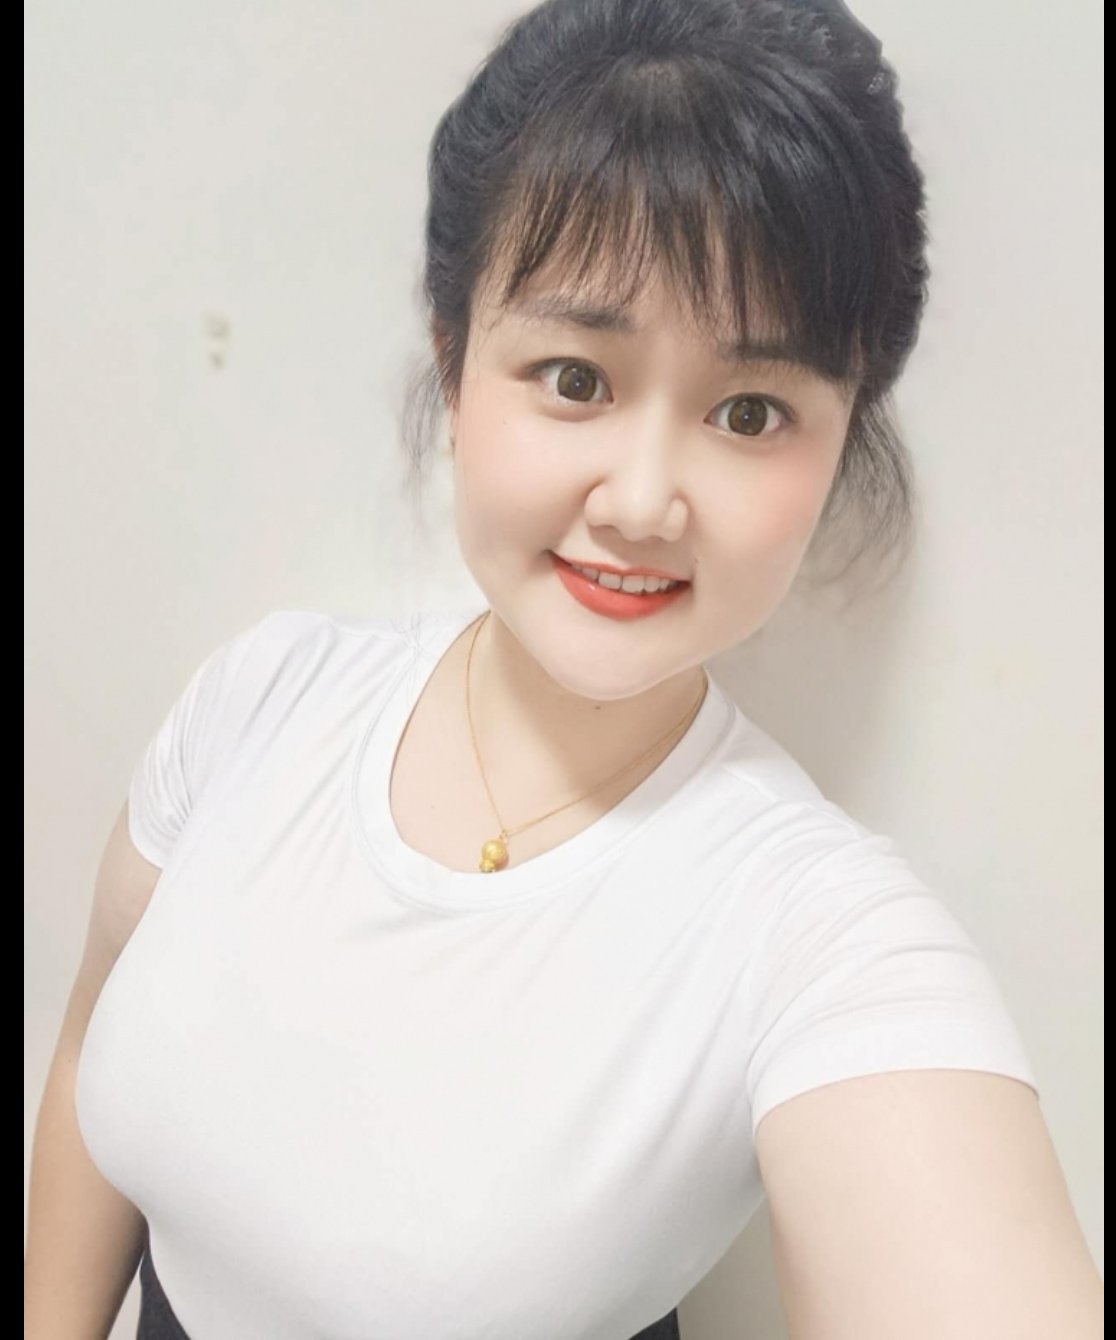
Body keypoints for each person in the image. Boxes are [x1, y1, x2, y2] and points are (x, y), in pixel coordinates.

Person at [24, 0, 1103, 1336]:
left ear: (842, 443)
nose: (642, 502)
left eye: (750, 411)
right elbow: (85, 1055)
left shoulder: (820, 932)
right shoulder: (263, 697)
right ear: (455, 367)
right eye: (576, 379)